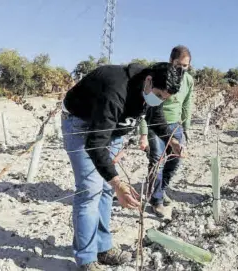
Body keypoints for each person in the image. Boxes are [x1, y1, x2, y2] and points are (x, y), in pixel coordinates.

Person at [61, 62, 183, 270]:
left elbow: (155, 115)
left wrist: (171, 140)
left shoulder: (154, 88)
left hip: (115, 127)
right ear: (148, 80)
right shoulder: (115, 89)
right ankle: (87, 259)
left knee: (106, 190)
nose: (160, 101)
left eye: (164, 99)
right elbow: (96, 143)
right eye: (159, 96)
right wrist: (118, 182)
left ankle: (104, 248)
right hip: (82, 123)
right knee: (91, 190)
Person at [138, 45, 194, 217]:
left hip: (175, 125)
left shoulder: (189, 80)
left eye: (186, 66)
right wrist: (144, 134)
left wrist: (186, 128)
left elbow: (187, 104)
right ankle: (156, 201)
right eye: (179, 64)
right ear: (171, 60)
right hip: (156, 125)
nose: (182, 68)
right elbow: (146, 106)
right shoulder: (159, 76)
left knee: (176, 160)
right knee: (157, 161)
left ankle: (160, 190)